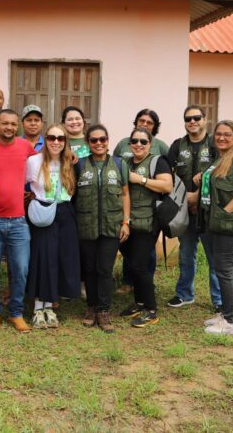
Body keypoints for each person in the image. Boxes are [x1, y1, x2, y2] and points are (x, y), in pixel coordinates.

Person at [0, 109, 36, 333]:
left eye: (13, 124)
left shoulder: (25, 147)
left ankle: (16, 313)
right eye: (5, 123)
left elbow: (45, 166)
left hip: (18, 221)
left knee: (21, 269)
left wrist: (69, 155)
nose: (10, 128)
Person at [73, 125, 131, 333]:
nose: (99, 143)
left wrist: (126, 222)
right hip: (86, 226)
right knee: (89, 270)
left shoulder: (119, 164)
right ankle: (91, 309)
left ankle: (104, 311)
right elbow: (72, 196)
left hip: (111, 225)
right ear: (88, 143)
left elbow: (125, 194)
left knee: (105, 270)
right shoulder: (79, 165)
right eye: (94, 140)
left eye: (102, 139)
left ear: (108, 141)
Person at [200, 120, 233, 335]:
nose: (221, 138)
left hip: (230, 227)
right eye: (218, 134)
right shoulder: (221, 160)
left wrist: (225, 213)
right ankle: (223, 314)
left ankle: (230, 322)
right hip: (218, 224)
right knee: (220, 269)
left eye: (227, 134)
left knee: (224, 271)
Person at [165, 105, 222, 311]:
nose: (192, 122)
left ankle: (219, 301)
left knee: (213, 257)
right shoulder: (177, 146)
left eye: (196, 117)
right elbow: (167, 175)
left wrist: (198, 196)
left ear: (205, 119)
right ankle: (184, 294)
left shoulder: (216, 143)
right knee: (186, 254)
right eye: (188, 119)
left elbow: (224, 170)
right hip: (184, 209)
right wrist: (185, 197)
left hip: (208, 210)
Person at [25, 123, 79, 329]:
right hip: (43, 213)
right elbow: (24, 184)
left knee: (60, 259)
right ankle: (38, 308)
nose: (56, 142)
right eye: (51, 138)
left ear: (66, 142)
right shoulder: (33, 161)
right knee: (42, 259)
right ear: (45, 140)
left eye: (60, 138)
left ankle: (50, 306)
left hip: (65, 213)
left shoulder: (70, 162)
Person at [120, 127, 172, 328]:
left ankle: (151, 309)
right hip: (128, 222)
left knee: (139, 266)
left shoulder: (158, 161)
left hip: (149, 221)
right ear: (129, 143)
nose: (138, 145)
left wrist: (139, 180)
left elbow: (167, 186)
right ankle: (139, 302)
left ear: (150, 144)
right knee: (132, 262)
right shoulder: (125, 162)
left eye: (143, 141)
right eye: (135, 141)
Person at [115, 108, 168, 287]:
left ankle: (145, 284)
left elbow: (168, 179)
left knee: (145, 252)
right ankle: (128, 282)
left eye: (149, 122)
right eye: (141, 121)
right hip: (126, 208)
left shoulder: (160, 148)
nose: (138, 144)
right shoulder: (123, 145)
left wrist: (141, 179)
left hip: (149, 213)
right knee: (128, 247)